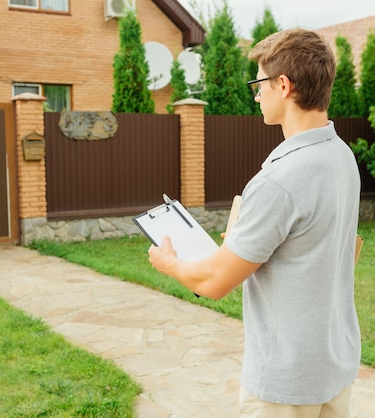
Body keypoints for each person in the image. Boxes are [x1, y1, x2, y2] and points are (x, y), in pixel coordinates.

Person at [147, 28, 361, 418]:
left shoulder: (279, 179)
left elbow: (214, 284)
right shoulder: (341, 156)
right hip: (334, 364)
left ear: (284, 85)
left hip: (286, 385)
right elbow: (323, 245)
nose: (256, 94)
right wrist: (253, 244)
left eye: (259, 84)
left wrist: (169, 264)